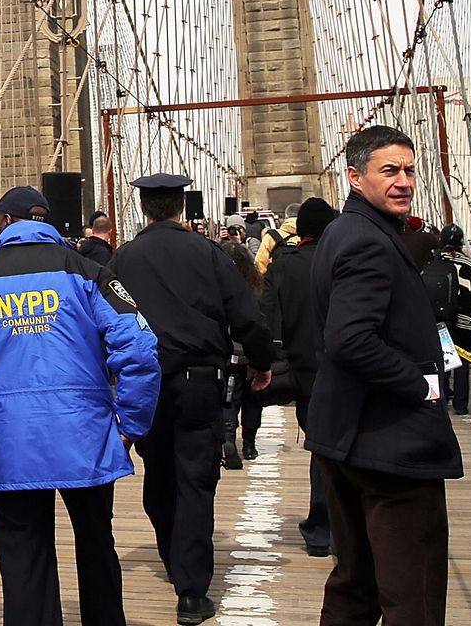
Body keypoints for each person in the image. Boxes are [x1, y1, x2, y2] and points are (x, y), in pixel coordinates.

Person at [0, 186, 161, 626]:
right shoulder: (88, 272)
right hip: (85, 434)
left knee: (24, 557)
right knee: (96, 545)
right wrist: (129, 426)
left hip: (8, 441)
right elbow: (140, 349)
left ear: (5, 224)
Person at [306, 125, 463, 626]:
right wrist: (421, 385)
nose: (404, 181)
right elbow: (350, 338)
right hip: (389, 446)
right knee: (411, 596)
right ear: (355, 177)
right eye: (389, 170)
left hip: (347, 438)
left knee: (357, 586)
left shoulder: (346, 232)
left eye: (410, 170)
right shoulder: (368, 242)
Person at [110, 173, 277, 626]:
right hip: (201, 381)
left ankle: (172, 555)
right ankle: (191, 590)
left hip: (145, 384)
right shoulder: (208, 253)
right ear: (181, 207)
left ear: (144, 208)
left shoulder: (123, 257)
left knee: (159, 472)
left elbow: (106, 320)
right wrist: (261, 362)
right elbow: (246, 314)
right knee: (196, 481)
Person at [261, 196, 341, 557]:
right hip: (350, 371)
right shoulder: (346, 261)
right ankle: (349, 529)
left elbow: (269, 318)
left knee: (321, 450)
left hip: (306, 376)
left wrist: (267, 362)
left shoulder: (283, 266)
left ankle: (322, 529)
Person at [217, 223, 265, 467]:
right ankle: (250, 444)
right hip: (250, 353)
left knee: (228, 397)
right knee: (253, 398)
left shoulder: (217, 288)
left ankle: (228, 437)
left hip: (228, 354)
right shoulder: (256, 289)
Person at [420, 223, 471, 415]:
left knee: (443, 358)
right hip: (465, 319)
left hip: (443, 316)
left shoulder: (434, 260)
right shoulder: (469, 263)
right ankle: (461, 405)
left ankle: (443, 398)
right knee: (462, 362)